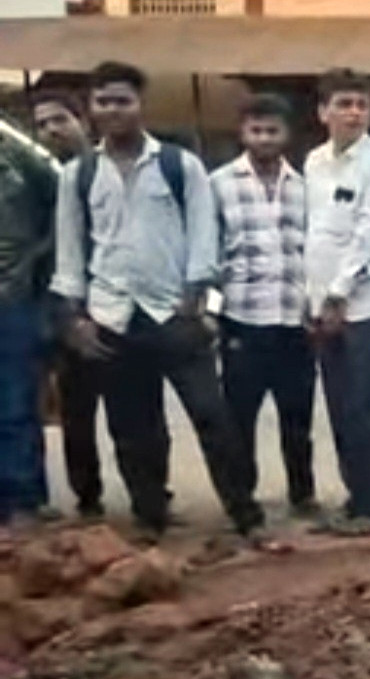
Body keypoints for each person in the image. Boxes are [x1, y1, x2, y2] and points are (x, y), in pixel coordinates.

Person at [51, 62, 265, 541]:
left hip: (175, 314)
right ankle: (150, 517)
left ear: (140, 105)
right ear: (91, 108)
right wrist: (75, 318)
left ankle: (245, 514)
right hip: (113, 317)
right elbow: (69, 251)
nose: (113, 110)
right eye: (103, 101)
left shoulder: (179, 164)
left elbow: (205, 239)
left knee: (213, 416)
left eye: (122, 100)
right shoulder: (78, 176)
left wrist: (203, 307)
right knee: (133, 429)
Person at [306, 68, 370, 532]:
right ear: (323, 111)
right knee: (343, 408)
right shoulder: (313, 163)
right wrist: (316, 303)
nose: (353, 112)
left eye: (361, 104)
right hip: (324, 312)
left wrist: (338, 293)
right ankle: (358, 496)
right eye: (344, 104)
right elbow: (312, 236)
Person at [211, 93, 317, 519]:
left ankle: (303, 494)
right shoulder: (218, 184)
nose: (264, 138)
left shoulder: (304, 187)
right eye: (256, 130)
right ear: (243, 133)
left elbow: (311, 250)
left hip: (293, 319)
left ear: (287, 135)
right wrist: (213, 312)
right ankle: (243, 499)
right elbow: (209, 251)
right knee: (239, 419)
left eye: (273, 130)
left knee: (298, 417)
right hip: (242, 319)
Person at [33, 89, 120, 521]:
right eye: (42, 125)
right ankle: (88, 498)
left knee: (134, 408)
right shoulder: (38, 176)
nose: (52, 131)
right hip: (63, 308)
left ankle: (151, 493)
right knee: (76, 412)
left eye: (59, 120)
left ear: (82, 120)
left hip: (121, 303)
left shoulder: (108, 169)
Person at [0, 105, 59, 528]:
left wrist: (35, 266)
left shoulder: (20, 152)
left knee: (15, 400)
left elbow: (62, 207)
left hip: (12, 296)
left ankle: (24, 500)